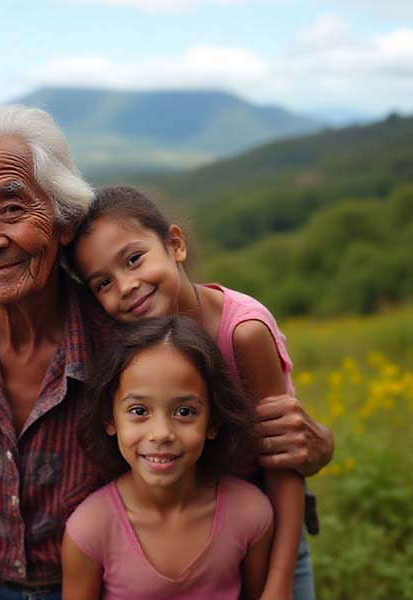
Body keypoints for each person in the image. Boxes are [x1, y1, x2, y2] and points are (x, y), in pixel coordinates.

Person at [0, 105, 333, 600]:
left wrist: (309, 448)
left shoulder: (135, 339)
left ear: (63, 219)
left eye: (11, 209)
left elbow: (224, 442)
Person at [67, 185, 322, 598]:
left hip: (264, 529)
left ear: (175, 245)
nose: (126, 286)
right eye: (102, 283)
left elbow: (284, 458)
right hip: (183, 532)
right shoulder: (129, 344)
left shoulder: (243, 332)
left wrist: (279, 580)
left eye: (134, 260)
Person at [63, 316, 273, 599]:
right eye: (139, 411)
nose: (161, 433)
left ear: (213, 422)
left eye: (184, 412)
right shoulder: (89, 530)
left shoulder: (250, 514)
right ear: (109, 419)